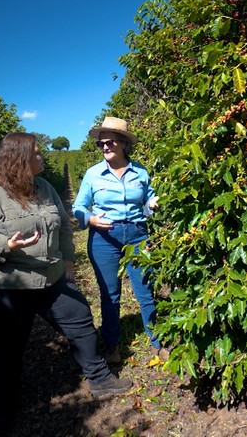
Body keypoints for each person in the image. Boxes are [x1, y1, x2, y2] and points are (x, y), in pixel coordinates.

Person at [0, 133, 133, 432]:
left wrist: (67, 260)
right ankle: (8, 407)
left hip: (50, 276)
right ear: (19, 159)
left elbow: (63, 225)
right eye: (37, 153)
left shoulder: (44, 187)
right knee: (8, 348)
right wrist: (5, 245)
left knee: (79, 318)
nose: (42, 157)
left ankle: (99, 378)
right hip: (7, 285)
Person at [72, 117, 169, 364]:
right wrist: (91, 219)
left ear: (124, 144)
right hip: (104, 237)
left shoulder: (141, 172)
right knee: (109, 294)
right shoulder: (93, 174)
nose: (104, 147)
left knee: (145, 290)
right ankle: (112, 344)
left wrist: (152, 204)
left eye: (110, 142)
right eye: (100, 143)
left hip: (137, 235)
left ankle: (156, 341)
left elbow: (148, 199)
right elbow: (78, 207)